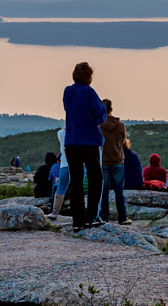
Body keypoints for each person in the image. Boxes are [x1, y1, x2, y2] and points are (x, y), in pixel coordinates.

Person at [63, 62, 106, 233]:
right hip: (89, 141)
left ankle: (77, 220)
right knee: (96, 178)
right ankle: (91, 217)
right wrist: (92, 121)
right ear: (89, 76)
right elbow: (100, 114)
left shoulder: (67, 91)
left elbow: (67, 108)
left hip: (71, 141)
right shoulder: (89, 92)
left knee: (76, 181)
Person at [98, 99, 131, 225]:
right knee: (119, 191)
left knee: (104, 191)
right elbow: (123, 142)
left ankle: (104, 216)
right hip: (117, 160)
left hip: (103, 161)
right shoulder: (121, 126)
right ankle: (122, 217)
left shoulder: (98, 125)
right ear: (111, 109)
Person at [49, 127, 71, 218]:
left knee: (61, 188)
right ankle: (77, 212)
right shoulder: (79, 132)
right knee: (77, 187)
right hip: (78, 164)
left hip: (65, 163)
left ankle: (55, 212)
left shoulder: (61, 133)